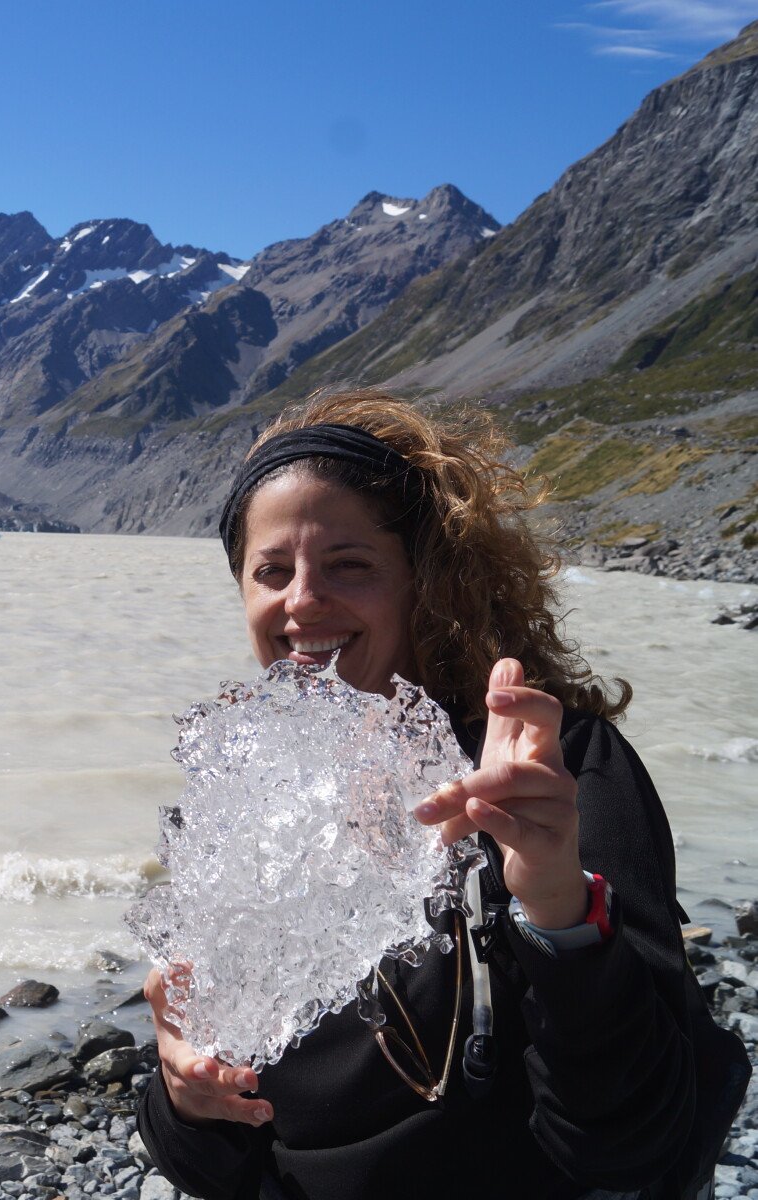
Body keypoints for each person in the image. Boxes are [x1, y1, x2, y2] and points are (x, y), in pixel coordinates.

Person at [136, 390, 698, 1200]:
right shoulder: (245, 793)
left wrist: (558, 908)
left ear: (423, 583)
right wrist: (186, 1098)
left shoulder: (551, 775)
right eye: (271, 572)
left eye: (349, 565)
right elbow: (209, 1164)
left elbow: (636, 1141)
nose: (301, 600)